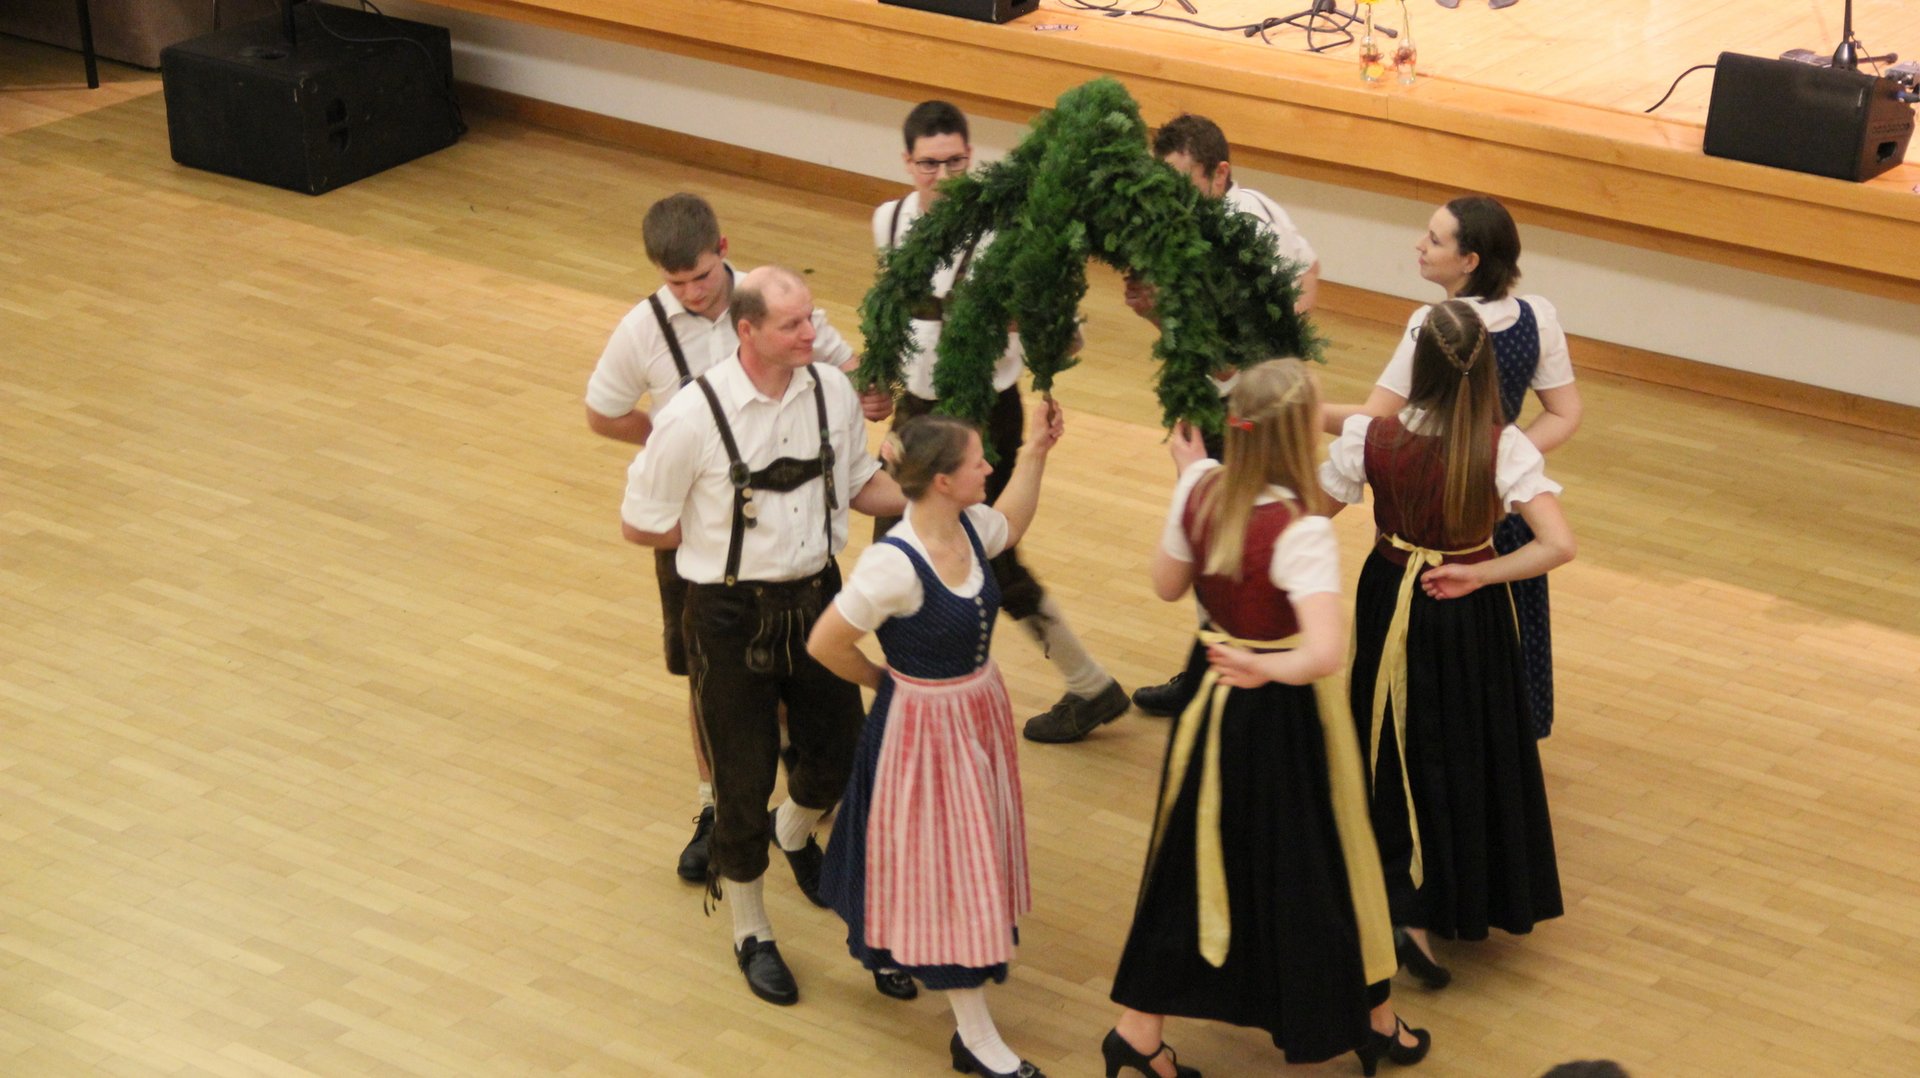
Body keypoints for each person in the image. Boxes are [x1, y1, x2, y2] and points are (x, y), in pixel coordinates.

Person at [1106, 360, 1430, 1078]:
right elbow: (1324, 652)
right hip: (1284, 714)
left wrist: (1186, 483)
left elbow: (1166, 586)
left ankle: (1137, 1032)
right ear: (1300, 434)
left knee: (1193, 863)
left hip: (1211, 701)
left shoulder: (1201, 488)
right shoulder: (1299, 530)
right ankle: (1370, 1018)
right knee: (1324, 865)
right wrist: (1267, 667)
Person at [619, 265, 907, 1007]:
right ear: (747, 331)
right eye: (793, 324)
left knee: (840, 755)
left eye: (812, 317)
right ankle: (751, 929)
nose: (813, 333)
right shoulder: (692, 414)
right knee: (740, 781)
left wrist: (932, 499)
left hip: (819, 603)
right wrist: (712, 542)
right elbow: (641, 521)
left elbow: (858, 485)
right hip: (727, 617)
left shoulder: (833, 392)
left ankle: (796, 827)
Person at [585, 193, 890, 884]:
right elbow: (603, 413)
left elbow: (846, 376)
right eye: (676, 284)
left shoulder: (775, 301)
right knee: (709, 679)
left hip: (792, 533)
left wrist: (873, 398)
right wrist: (685, 463)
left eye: (700, 276)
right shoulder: (643, 330)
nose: (692, 294)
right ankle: (716, 805)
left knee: (795, 678)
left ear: (723, 249)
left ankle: (787, 787)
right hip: (704, 540)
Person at [1319, 299, 1574, 992]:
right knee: (1464, 743)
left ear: (1418, 368)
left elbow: (1310, 516)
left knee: (1390, 743)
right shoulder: (1503, 446)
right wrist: (1478, 572)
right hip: (1468, 610)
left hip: (1389, 593)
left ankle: (1397, 899)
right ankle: (1454, 895)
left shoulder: (1371, 437)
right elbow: (1558, 545)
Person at [809, 403, 1066, 1078]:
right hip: (922, 732)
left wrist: (1037, 451)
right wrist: (885, 682)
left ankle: (885, 943)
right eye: (979, 461)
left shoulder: (970, 528)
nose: (989, 466)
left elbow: (1012, 521)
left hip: (974, 715)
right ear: (945, 481)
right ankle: (975, 1038)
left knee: (915, 855)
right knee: (951, 872)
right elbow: (826, 642)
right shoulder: (892, 566)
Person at [872, 100, 1128, 746]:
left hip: (984, 413)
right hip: (916, 411)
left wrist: (1032, 324)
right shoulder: (889, 221)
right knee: (899, 550)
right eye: (929, 164)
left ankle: (1076, 683)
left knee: (989, 554)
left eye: (956, 162)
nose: (944, 176)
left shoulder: (1006, 234)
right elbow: (896, 315)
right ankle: (1075, 684)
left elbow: (1064, 338)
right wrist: (876, 377)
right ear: (907, 162)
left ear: (972, 156)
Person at [1324, 194, 1582, 739]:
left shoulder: (1434, 325)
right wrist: (1499, 467)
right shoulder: (1537, 317)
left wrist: (1291, 409)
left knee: (1429, 648)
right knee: (1501, 634)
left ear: (1470, 261)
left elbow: (1376, 420)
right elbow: (1564, 413)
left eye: (1435, 239)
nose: (1419, 245)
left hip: (1437, 513)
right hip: (1503, 516)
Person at [1127, 113, 1323, 721]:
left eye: (1183, 182)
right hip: (1227, 397)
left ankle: (1232, 670)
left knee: (1232, 534)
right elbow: (1307, 269)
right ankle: (1214, 664)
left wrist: (1272, 353)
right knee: (1218, 532)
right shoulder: (1211, 218)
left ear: (1219, 175)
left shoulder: (1245, 227)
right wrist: (1156, 313)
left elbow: (1299, 277)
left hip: (1248, 413)